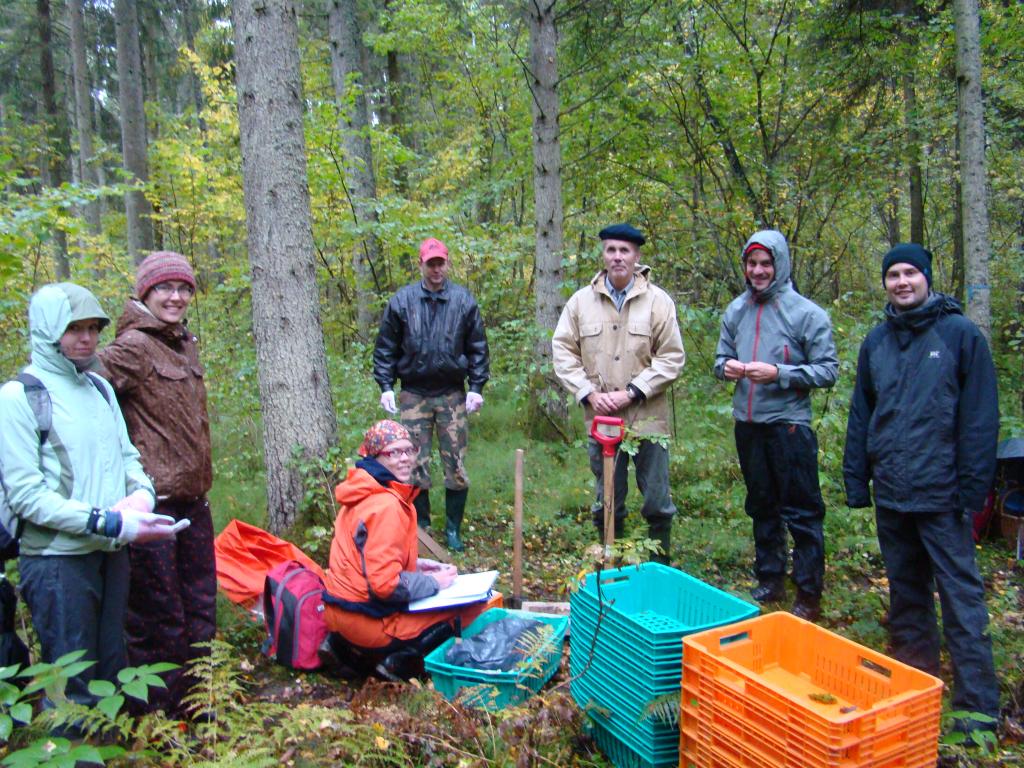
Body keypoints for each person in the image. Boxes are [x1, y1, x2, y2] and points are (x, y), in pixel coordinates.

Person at [0, 283, 182, 713]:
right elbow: (26, 495)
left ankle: (110, 750)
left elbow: (127, 456)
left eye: (93, 328)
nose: (86, 338)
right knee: (71, 677)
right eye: (73, 328)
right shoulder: (20, 397)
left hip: (112, 552)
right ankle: (72, 756)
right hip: (57, 561)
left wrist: (142, 497)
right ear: (47, 331)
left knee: (112, 667)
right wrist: (107, 521)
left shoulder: (100, 389)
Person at [844, 243, 1000, 733]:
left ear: (927, 278)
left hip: (943, 494)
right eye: (894, 275)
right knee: (907, 595)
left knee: (961, 598)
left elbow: (979, 419)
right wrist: (857, 479)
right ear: (886, 283)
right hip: (892, 490)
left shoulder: (959, 336)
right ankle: (915, 687)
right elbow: (861, 413)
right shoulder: (877, 341)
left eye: (911, 273)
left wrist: (974, 492)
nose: (902, 282)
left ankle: (978, 707)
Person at [97, 251, 216, 715]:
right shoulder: (132, 347)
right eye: (166, 288)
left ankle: (203, 704)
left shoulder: (183, 342)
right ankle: (162, 718)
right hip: (153, 507)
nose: (176, 296)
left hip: (194, 502)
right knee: (158, 617)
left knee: (201, 606)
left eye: (184, 288)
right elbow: (79, 389)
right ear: (145, 291)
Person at [713, 230, 838, 620]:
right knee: (761, 504)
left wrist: (780, 373)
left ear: (780, 264)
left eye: (766, 263)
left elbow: (827, 370)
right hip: (748, 424)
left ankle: (808, 591)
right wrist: (727, 368)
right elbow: (720, 360)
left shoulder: (806, 313)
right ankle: (770, 577)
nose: (759, 270)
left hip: (789, 426)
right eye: (752, 264)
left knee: (801, 510)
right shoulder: (735, 311)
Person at [551, 224, 685, 563]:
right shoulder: (581, 302)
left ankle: (659, 568)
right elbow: (563, 351)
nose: (617, 257)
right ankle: (611, 566)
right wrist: (588, 393)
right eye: (611, 250)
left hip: (647, 420)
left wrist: (633, 392)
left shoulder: (658, 302)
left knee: (657, 499)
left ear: (637, 256)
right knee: (608, 498)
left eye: (624, 251)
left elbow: (672, 358)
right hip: (602, 419)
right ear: (603, 255)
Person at [321, 420, 487, 681]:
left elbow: (365, 558)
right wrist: (433, 582)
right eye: (393, 453)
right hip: (367, 620)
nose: (405, 459)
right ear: (374, 456)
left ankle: (345, 649)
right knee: (472, 609)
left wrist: (418, 566)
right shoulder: (387, 505)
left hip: (337, 613)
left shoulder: (361, 493)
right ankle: (399, 664)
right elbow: (385, 586)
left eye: (409, 450)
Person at [372, 237, 490, 552]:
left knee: (456, 465)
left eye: (440, 263)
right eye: (430, 263)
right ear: (421, 264)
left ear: (447, 263)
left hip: (452, 394)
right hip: (413, 394)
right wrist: (386, 385)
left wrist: (476, 387)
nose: (436, 269)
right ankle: (421, 525)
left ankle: (453, 529)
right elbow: (386, 348)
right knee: (413, 463)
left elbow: (478, 347)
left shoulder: (463, 301)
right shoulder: (402, 301)